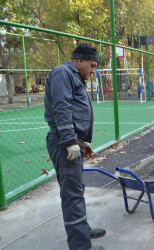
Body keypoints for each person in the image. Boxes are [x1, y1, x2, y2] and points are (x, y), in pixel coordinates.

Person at [44, 43, 105, 250]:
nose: (93, 71)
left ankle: (82, 231)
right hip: (64, 143)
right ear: (79, 60)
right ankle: (81, 246)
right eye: (92, 65)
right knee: (72, 195)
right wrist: (70, 142)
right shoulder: (63, 73)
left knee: (77, 189)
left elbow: (73, 111)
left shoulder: (73, 76)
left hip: (72, 141)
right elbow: (61, 107)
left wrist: (80, 142)